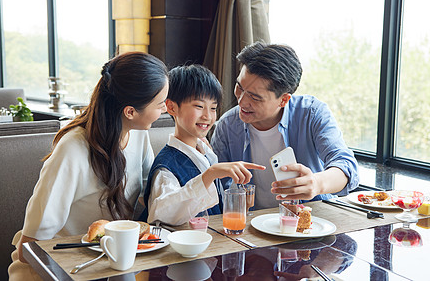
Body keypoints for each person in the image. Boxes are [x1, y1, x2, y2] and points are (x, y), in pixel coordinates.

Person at [8, 52, 169, 280]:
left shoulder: (138, 135)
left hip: (110, 264)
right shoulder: (73, 149)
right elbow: (29, 249)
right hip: (54, 268)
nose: (165, 109)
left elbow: (149, 197)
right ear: (130, 112)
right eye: (161, 104)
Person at [211, 42, 359, 209]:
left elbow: (346, 166)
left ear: (283, 100)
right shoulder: (228, 125)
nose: (242, 101)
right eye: (239, 87)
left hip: (311, 223)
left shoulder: (312, 113)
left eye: (255, 97)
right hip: (252, 228)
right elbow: (213, 186)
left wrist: (317, 183)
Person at [144, 64, 265, 225]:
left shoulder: (206, 152)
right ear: (171, 107)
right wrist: (210, 174)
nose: (208, 116)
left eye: (213, 108)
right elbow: (163, 212)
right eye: (199, 106)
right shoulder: (166, 166)